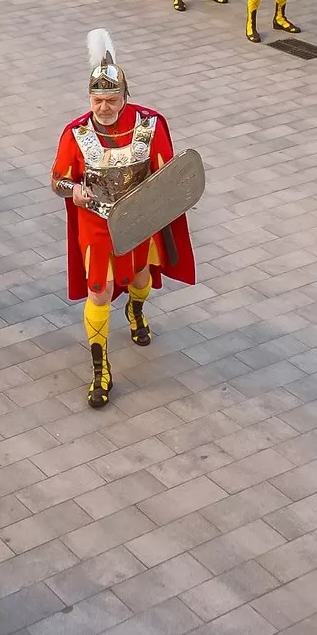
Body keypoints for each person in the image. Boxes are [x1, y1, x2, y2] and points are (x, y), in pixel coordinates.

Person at [49, 30, 195, 409]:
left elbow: (169, 176)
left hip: (139, 222)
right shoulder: (76, 133)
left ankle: (136, 308)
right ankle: (100, 367)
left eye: (111, 99)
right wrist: (73, 189)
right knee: (100, 289)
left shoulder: (150, 125)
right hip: (96, 225)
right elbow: (57, 180)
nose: (104, 107)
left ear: (125, 96)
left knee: (141, 278)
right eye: (98, 100)